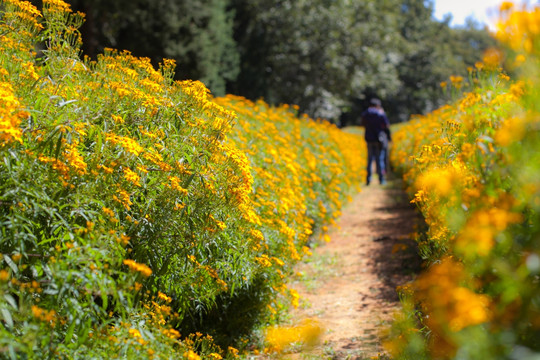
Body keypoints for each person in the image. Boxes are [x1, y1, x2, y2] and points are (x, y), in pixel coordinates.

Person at [360, 98, 391, 185]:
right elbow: (386, 125)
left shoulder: (365, 114)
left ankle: (368, 180)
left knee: (369, 160)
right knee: (379, 159)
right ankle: (381, 180)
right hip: (379, 139)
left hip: (369, 139)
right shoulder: (380, 113)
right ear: (377, 105)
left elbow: (362, 124)